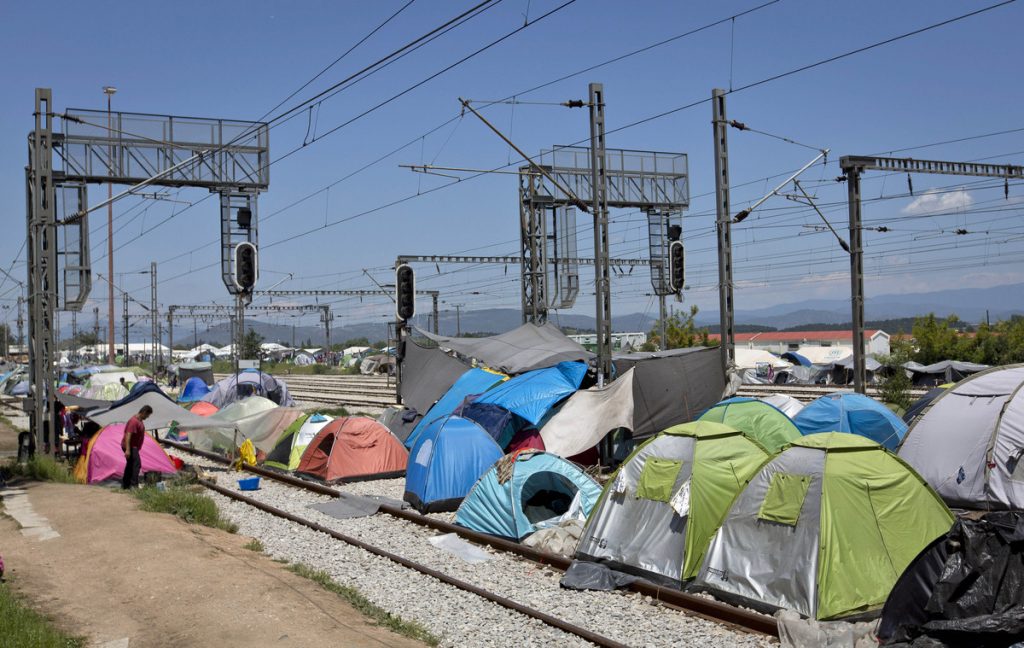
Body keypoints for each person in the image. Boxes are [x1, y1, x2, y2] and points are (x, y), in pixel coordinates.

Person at [121, 405, 153, 489]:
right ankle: (134, 485)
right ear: (144, 412)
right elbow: (128, 435)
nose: (147, 417)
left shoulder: (139, 420)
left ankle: (125, 485)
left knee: (130, 465)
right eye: (147, 415)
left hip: (133, 447)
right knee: (137, 464)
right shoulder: (133, 421)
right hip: (130, 446)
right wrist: (128, 450)